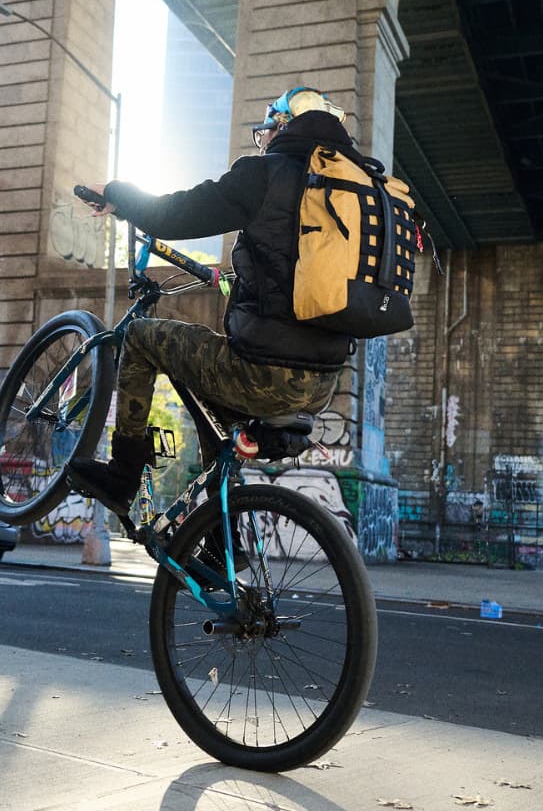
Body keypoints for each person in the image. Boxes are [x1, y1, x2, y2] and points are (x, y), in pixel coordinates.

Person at [68, 86, 357, 515]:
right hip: (323, 383)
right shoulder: (355, 192)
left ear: (281, 126)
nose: (265, 142)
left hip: (263, 371)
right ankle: (218, 534)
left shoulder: (266, 174)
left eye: (266, 132)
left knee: (143, 338)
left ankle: (121, 476)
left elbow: (173, 214)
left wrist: (116, 191)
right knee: (212, 405)